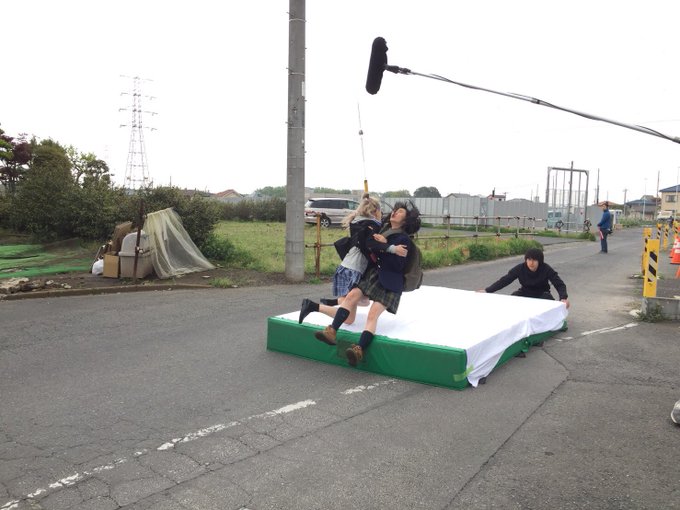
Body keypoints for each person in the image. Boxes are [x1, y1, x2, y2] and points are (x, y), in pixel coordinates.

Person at [312, 201, 421, 367]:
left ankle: (358, 350)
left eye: (399, 212)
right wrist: (384, 245)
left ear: (406, 221)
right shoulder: (382, 228)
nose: (394, 212)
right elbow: (370, 246)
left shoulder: (403, 239)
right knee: (351, 297)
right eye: (394, 210)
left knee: (372, 315)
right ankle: (331, 331)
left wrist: (385, 245)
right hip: (374, 275)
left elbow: (396, 266)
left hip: (390, 282)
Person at [298, 194, 408, 324]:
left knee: (360, 304)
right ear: (375, 212)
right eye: (381, 211)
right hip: (353, 270)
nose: (383, 215)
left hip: (348, 268)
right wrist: (392, 248)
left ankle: (327, 303)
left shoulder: (361, 222)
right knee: (352, 313)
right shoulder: (370, 226)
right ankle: (312, 306)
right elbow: (370, 244)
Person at [477, 248, 570, 308]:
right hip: (525, 293)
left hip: (542, 294)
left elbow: (559, 284)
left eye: (534, 260)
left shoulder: (546, 269)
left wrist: (563, 298)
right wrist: (487, 290)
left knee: (552, 305)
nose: (531, 263)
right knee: (511, 300)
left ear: (540, 261)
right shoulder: (520, 268)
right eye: (529, 260)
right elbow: (505, 280)